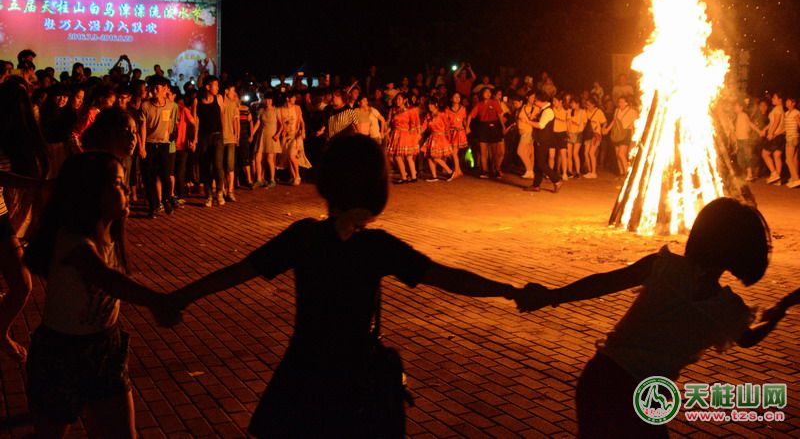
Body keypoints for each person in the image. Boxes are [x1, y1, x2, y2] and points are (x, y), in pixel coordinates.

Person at [169, 135, 524, 438]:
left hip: (304, 372)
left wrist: (180, 296)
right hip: (357, 381)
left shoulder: (305, 237)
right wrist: (510, 290)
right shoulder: (376, 246)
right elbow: (447, 277)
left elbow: (237, 272)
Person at [517, 197, 782, 438]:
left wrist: (550, 296)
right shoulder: (727, 307)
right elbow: (748, 338)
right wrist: (782, 308)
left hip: (603, 376)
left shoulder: (664, 266)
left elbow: (602, 283)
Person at [24, 152, 179, 438]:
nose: (125, 190)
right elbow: (107, 279)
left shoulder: (108, 233)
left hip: (106, 347)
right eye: (117, 185)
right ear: (90, 193)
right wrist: (156, 301)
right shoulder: (73, 241)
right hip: (60, 354)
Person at [0, 77, 49, 361]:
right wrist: (36, 185)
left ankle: (2, 333)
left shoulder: (16, 133)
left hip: (1, 216)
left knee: (22, 284)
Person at [139, 76, 176, 218]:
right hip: (149, 144)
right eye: (152, 87)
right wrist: (142, 147)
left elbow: (171, 125)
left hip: (164, 145)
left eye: (158, 87)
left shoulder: (171, 106)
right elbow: (142, 127)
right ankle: (154, 206)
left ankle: (167, 199)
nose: (154, 91)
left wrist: (170, 138)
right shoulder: (145, 106)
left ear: (165, 89)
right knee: (149, 178)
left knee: (166, 176)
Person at [195, 76, 227, 206]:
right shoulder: (197, 101)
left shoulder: (218, 98)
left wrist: (223, 133)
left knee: (218, 165)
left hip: (217, 136)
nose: (218, 88)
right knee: (205, 167)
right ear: (208, 87)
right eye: (215, 85)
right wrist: (194, 138)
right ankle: (208, 195)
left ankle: (219, 192)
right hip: (204, 137)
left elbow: (222, 116)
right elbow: (196, 121)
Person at [524, 91, 562, 193]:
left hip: (544, 139)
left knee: (541, 163)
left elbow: (541, 125)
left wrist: (529, 122)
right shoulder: (543, 110)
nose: (534, 101)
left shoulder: (548, 111)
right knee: (538, 163)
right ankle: (536, 185)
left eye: (535, 99)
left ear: (540, 100)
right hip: (540, 139)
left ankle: (557, 180)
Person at [468, 87, 505, 179]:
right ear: (482, 94)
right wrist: (467, 126)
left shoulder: (495, 103)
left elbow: (500, 115)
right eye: (485, 92)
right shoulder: (479, 104)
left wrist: (503, 126)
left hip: (494, 126)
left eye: (489, 92)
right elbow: (470, 115)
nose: (488, 93)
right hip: (483, 127)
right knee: (483, 151)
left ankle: (496, 170)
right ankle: (485, 171)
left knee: (494, 151)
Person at [278, 92, 312, 186]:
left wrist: (303, 131)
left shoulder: (297, 108)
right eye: (293, 98)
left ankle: (297, 176)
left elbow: (301, 121)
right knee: (288, 157)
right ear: (288, 99)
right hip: (286, 136)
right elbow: (281, 123)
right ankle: (293, 177)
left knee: (292, 155)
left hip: (296, 135)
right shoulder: (281, 109)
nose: (295, 99)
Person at [386, 94, 421, 183]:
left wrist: (416, 136)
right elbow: (391, 124)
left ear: (404, 100)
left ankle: (407, 177)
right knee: (400, 156)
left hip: (405, 134)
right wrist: (386, 133)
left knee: (404, 156)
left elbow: (414, 124)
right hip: (396, 134)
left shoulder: (410, 111)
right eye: (396, 99)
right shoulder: (394, 110)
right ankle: (410, 176)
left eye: (399, 99)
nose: (397, 101)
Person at [251, 91, 282, 188]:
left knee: (269, 159)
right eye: (266, 99)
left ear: (272, 100)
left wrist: (277, 135)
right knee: (257, 158)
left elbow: (281, 125)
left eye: (270, 99)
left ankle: (272, 179)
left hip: (271, 136)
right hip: (262, 136)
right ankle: (259, 179)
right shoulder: (261, 111)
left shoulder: (276, 110)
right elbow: (258, 123)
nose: (268, 101)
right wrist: (252, 133)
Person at [421, 101, 455, 181]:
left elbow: (447, 126)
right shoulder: (428, 116)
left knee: (435, 157)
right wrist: (416, 132)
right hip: (432, 137)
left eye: (431, 104)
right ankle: (434, 176)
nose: (430, 106)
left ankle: (450, 171)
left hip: (440, 137)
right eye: (429, 104)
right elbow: (424, 126)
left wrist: (448, 137)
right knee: (429, 156)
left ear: (436, 105)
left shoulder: (442, 114)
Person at [604, 96, 638, 178]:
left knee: (621, 154)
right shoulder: (617, 110)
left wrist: (635, 136)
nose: (620, 103)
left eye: (622, 102)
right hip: (617, 133)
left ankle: (627, 174)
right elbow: (614, 121)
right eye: (619, 102)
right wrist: (607, 129)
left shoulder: (632, 111)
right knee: (617, 155)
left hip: (626, 132)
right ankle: (621, 173)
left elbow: (635, 123)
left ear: (627, 103)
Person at [221, 83, 241, 200]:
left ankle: (230, 191)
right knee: (221, 166)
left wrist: (237, 135)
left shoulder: (233, 104)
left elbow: (235, 121)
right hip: (220, 139)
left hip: (230, 139)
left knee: (230, 166)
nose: (233, 94)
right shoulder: (220, 102)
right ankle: (222, 189)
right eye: (232, 91)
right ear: (226, 91)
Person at [732, 100, 760, 182]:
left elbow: (750, 124)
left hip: (745, 140)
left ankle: (750, 174)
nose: (734, 108)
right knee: (740, 159)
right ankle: (749, 173)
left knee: (747, 157)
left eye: (736, 106)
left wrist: (759, 131)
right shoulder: (737, 117)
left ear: (741, 108)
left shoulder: (744, 115)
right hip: (739, 140)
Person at [762, 92, 785, 185]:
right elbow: (772, 123)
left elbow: (776, 122)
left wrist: (771, 133)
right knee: (777, 156)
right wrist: (765, 129)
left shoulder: (777, 109)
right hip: (781, 135)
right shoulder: (781, 109)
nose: (772, 99)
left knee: (765, 154)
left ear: (780, 100)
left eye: (774, 98)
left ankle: (774, 173)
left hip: (775, 135)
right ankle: (778, 180)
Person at [443, 92, 468, 178]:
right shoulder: (447, 110)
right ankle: (458, 170)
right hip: (451, 132)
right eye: (455, 97)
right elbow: (446, 122)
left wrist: (467, 127)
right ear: (451, 99)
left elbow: (464, 120)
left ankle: (457, 170)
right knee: (452, 152)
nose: (457, 98)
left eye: (458, 97)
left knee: (454, 152)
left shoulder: (463, 109)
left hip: (459, 132)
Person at [583, 97, 606, 179]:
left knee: (591, 153)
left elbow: (604, 122)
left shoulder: (598, 111)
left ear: (593, 104)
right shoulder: (585, 111)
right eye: (586, 105)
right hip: (588, 134)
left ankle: (594, 172)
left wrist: (602, 130)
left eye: (589, 105)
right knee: (586, 153)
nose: (587, 106)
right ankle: (590, 171)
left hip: (596, 134)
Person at [516, 92, 536, 179]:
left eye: (534, 97)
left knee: (520, 151)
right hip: (523, 132)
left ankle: (529, 170)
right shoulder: (522, 107)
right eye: (532, 97)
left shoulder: (535, 108)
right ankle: (529, 171)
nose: (533, 99)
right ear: (527, 97)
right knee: (528, 152)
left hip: (528, 131)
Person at [567, 96, 587, 178]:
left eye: (573, 103)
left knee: (575, 153)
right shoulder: (569, 111)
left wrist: (578, 131)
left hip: (578, 134)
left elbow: (584, 123)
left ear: (577, 104)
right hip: (569, 133)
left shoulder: (583, 112)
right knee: (569, 154)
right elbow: (567, 122)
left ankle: (578, 172)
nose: (571, 104)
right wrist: (569, 132)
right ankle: (570, 171)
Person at [783, 96, 800, 188]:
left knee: (788, 159)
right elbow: (785, 128)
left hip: (792, 138)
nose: (786, 102)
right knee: (794, 159)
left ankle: (796, 179)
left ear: (793, 103)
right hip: (790, 137)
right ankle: (794, 179)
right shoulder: (786, 113)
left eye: (788, 101)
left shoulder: (796, 112)